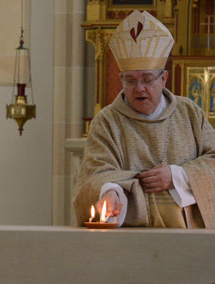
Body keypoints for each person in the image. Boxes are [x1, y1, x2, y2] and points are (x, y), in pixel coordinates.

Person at [73, 10, 215, 229]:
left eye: (147, 79)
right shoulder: (107, 122)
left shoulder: (189, 113)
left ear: (163, 79)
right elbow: (89, 180)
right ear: (121, 80)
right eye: (130, 80)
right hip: (132, 239)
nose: (139, 88)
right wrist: (110, 191)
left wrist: (178, 176)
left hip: (189, 240)